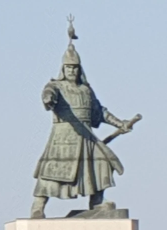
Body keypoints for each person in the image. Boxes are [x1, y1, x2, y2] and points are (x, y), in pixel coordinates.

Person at [30, 27, 135, 218]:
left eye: (75, 67)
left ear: (80, 69)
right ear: (63, 69)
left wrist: (120, 123)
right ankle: (38, 207)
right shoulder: (56, 86)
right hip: (65, 136)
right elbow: (48, 94)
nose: (71, 70)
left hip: (87, 136)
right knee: (52, 171)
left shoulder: (86, 90)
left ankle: (96, 203)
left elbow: (99, 112)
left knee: (102, 162)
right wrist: (48, 99)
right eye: (68, 67)